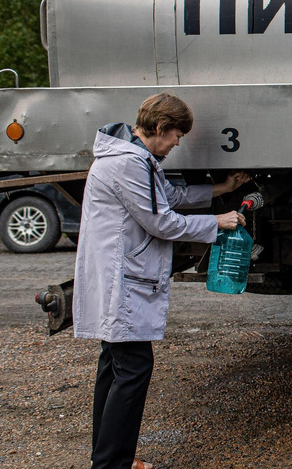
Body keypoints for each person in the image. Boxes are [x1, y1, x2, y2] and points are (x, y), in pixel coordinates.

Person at [73, 92, 250, 469]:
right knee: (133, 369)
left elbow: (169, 196)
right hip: (121, 280)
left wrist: (224, 188)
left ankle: (109, 459)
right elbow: (161, 222)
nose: (176, 144)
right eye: (175, 136)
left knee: (115, 367)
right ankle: (111, 464)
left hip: (118, 275)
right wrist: (217, 222)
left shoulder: (135, 158)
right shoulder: (129, 163)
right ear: (158, 128)